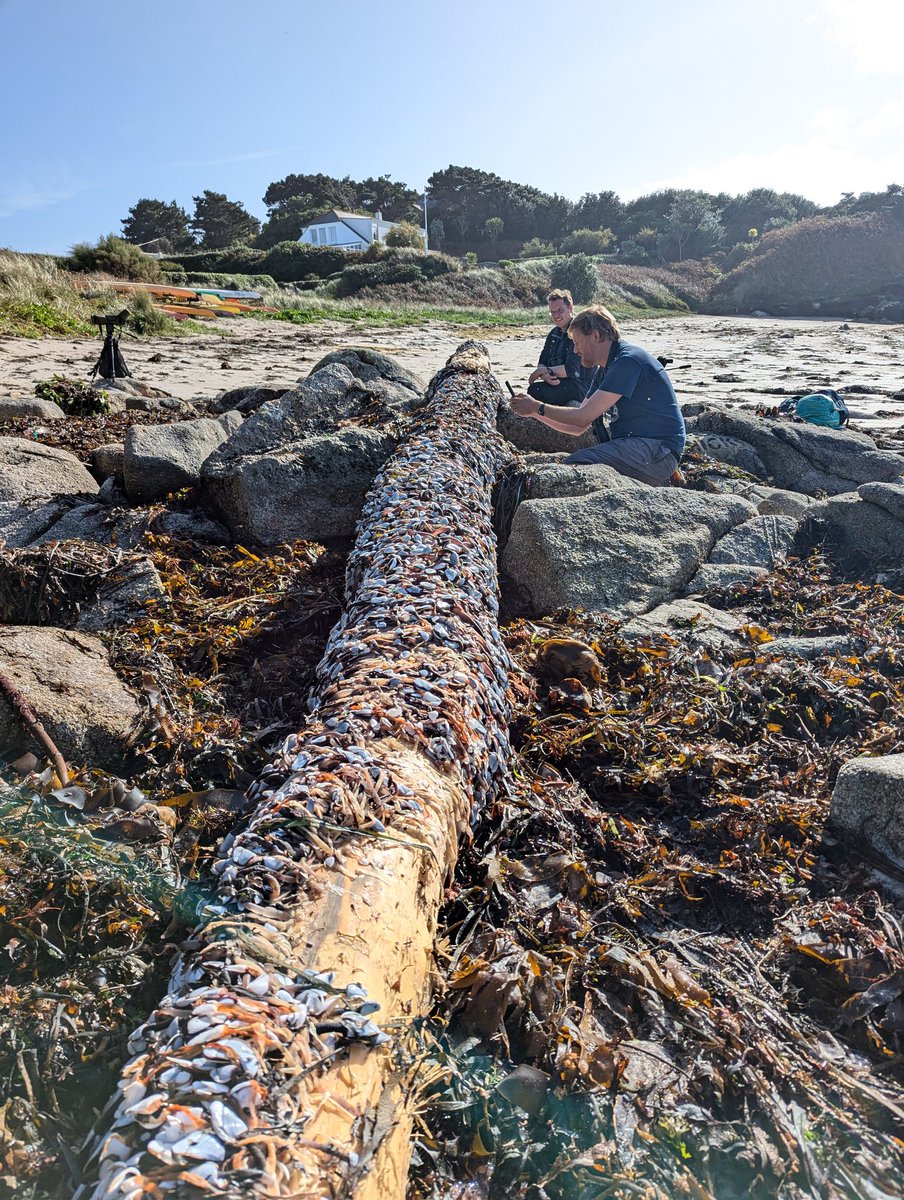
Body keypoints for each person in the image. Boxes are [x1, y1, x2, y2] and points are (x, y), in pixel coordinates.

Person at [509, 305, 685, 487]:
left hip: (659, 451)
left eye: (577, 342)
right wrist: (534, 413)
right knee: (578, 465)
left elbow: (582, 417)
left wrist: (537, 407)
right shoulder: (604, 370)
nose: (575, 350)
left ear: (595, 336)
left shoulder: (627, 361)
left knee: (578, 464)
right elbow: (579, 426)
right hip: (640, 447)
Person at [525, 289, 592, 408]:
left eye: (560, 311)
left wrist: (542, 372)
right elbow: (542, 361)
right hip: (558, 382)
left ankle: (572, 409)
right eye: (553, 312)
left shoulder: (579, 331)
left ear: (570, 308)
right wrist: (545, 375)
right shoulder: (553, 334)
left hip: (580, 385)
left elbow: (570, 370)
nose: (556, 316)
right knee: (535, 391)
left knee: (537, 391)